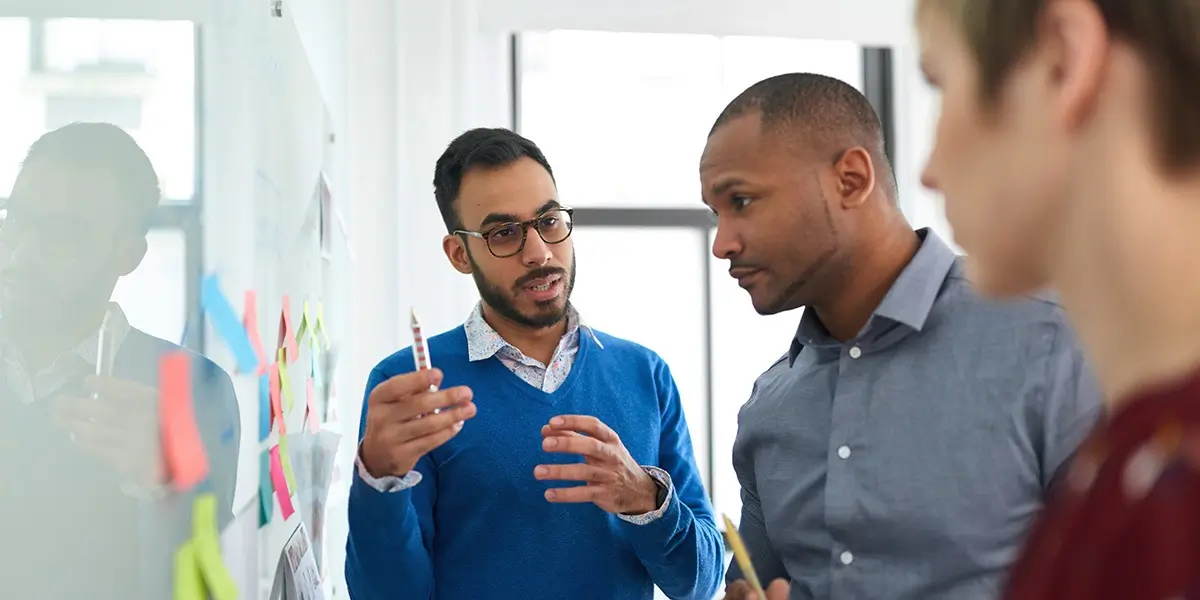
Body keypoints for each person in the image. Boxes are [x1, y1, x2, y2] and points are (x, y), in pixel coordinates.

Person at [699, 73, 1103, 600]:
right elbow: (752, 583)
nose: (722, 244)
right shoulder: (769, 408)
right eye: (715, 214)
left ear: (850, 180)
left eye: (743, 201)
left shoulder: (1054, 342)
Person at [345, 127, 724, 600]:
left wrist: (645, 499)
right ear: (460, 254)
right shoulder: (410, 388)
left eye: (549, 221)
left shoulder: (645, 374)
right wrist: (380, 477)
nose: (539, 252)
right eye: (504, 233)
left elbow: (701, 583)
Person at [915, 0, 1200, 598]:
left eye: (941, 84)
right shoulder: (1132, 456)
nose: (929, 169)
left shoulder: (1172, 490)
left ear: (1061, 61)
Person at [0, 122, 240, 599]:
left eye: (64, 234)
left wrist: (168, 488)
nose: (22, 253)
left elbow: (210, 588)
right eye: (16, 219)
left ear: (127, 254)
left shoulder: (191, 388)